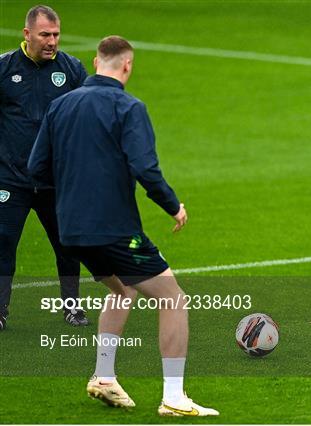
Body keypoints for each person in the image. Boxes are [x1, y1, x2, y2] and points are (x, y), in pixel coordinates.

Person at [28, 35, 218, 417]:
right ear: (127, 66)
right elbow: (145, 167)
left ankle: (103, 376)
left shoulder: (61, 106)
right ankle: (174, 398)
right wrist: (172, 205)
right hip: (113, 229)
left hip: (71, 230)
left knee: (122, 289)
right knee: (173, 299)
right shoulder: (128, 106)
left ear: (95, 62)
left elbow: (36, 168)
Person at [0, 5, 88, 330]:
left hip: (56, 181)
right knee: (3, 242)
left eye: (56, 34)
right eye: (45, 35)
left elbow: (88, 116)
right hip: (11, 179)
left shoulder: (72, 70)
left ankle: (72, 307)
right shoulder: (4, 69)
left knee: (67, 246)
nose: (52, 41)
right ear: (27, 34)